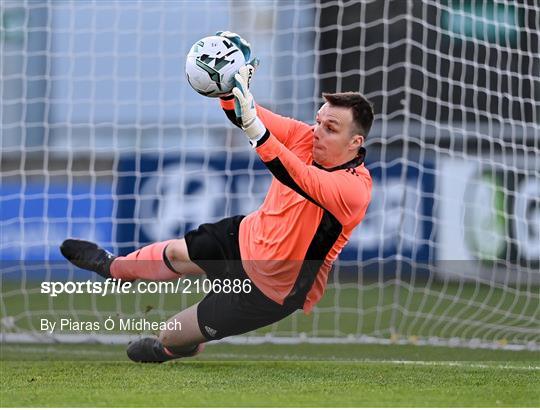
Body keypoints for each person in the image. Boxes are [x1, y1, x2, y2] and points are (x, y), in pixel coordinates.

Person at [60, 32, 374, 363]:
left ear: (355, 142)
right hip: (245, 236)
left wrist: (253, 126)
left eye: (331, 128)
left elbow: (295, 175)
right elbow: (244, 113)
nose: (317, 131)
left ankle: (175, 347)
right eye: (318, 120)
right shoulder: (304, 135)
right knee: (177, 252)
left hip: (272, 289)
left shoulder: (354, 189)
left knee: (170, 334)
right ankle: (112, 267)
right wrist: (229, 87)